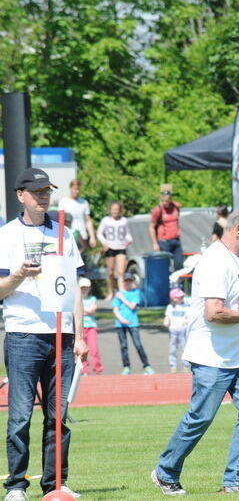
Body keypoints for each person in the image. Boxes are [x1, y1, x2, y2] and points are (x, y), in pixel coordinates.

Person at [152, 206, 239, 495]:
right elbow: (214, 312)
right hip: (211, 355)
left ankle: (238, 479)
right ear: (238, 229)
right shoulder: (215, 261)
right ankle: (165, 471)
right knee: (201, 417)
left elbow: (238, 306)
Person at [0, 167, 87, 499]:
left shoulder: (63, 234)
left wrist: (79, 336)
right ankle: (16, 485)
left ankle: (55, 484)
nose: (43, 197)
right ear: (21, 195)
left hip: (61, 336)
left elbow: (77, 288)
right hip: (23, 334)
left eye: (47, 191)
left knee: (58, 416)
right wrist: (19, 275)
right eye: (36, 192)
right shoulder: (6, 235)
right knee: (20, 415)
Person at [113, 273, 155, 375]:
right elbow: (115, 309)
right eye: (126, 281)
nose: (128, 283)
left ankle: (146, 365)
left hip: (133, 323)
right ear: (123, 282)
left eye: (130, 281)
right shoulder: (119, 293)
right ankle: (126, 367)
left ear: (132, 282)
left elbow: (132, 306)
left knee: (138, 344)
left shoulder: (136, 292)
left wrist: (122, 298)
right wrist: (121, 319)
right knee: (123, 346)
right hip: (120, 323)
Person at [97, 200, 133, 300]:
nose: (115, 211)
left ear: (120, 210)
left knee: (121, 271)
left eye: (117, 209)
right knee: (110, 272)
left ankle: (121, 292)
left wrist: (129, 239)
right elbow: (99, 233)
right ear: (110, 210)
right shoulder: (106, 220)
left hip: (121, 247)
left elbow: (127, 233)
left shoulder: (124, 221)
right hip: (110, 247)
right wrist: (105, 243)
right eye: (113, 209)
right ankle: (110, 291)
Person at [149, 183, 184, 270]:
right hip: (164, 241)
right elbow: (151, 227)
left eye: (168, 201)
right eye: (164, 201)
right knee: (165, 265)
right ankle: (166, 282)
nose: (166, 203)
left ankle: (178, 283)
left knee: (179, 264)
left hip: (176, 240)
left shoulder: (176, 206)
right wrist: (155, 243)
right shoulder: (158, 210)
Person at [57, 178, 96, 253]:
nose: (77, 191)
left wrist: (92, 237)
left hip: (82, 236)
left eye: (78, 189)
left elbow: (88, 220)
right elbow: (61, 221)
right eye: (75, 189)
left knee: (82, 261)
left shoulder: (84, 202)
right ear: (70, 188)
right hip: (69, 236)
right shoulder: (63, 202)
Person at [80, 277, 104, 376]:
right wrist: (84, 311)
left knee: (94, 349)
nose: (84, 289)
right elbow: (76, 312)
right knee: (82, 350)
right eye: (82, 287)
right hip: (80, 328)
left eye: (86, 287)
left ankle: (98, 368)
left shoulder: (92, 299)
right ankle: (84, 369)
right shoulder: (77, 299)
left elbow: (91, 311)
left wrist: (82, 311)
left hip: (91, 327)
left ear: (89, 288)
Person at [163, 288, 190, 373]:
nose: (181, 298)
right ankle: (173, 365)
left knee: (184, 348)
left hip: (183, 331)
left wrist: (187, 321)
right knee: (172, 348)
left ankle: (186, 365)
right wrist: (166, 321)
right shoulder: (170, 307)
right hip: (173, 331)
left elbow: (189, 317)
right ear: (173, 298)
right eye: (179, 297)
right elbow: (168, 316)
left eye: (182, 296)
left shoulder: (186, 306)